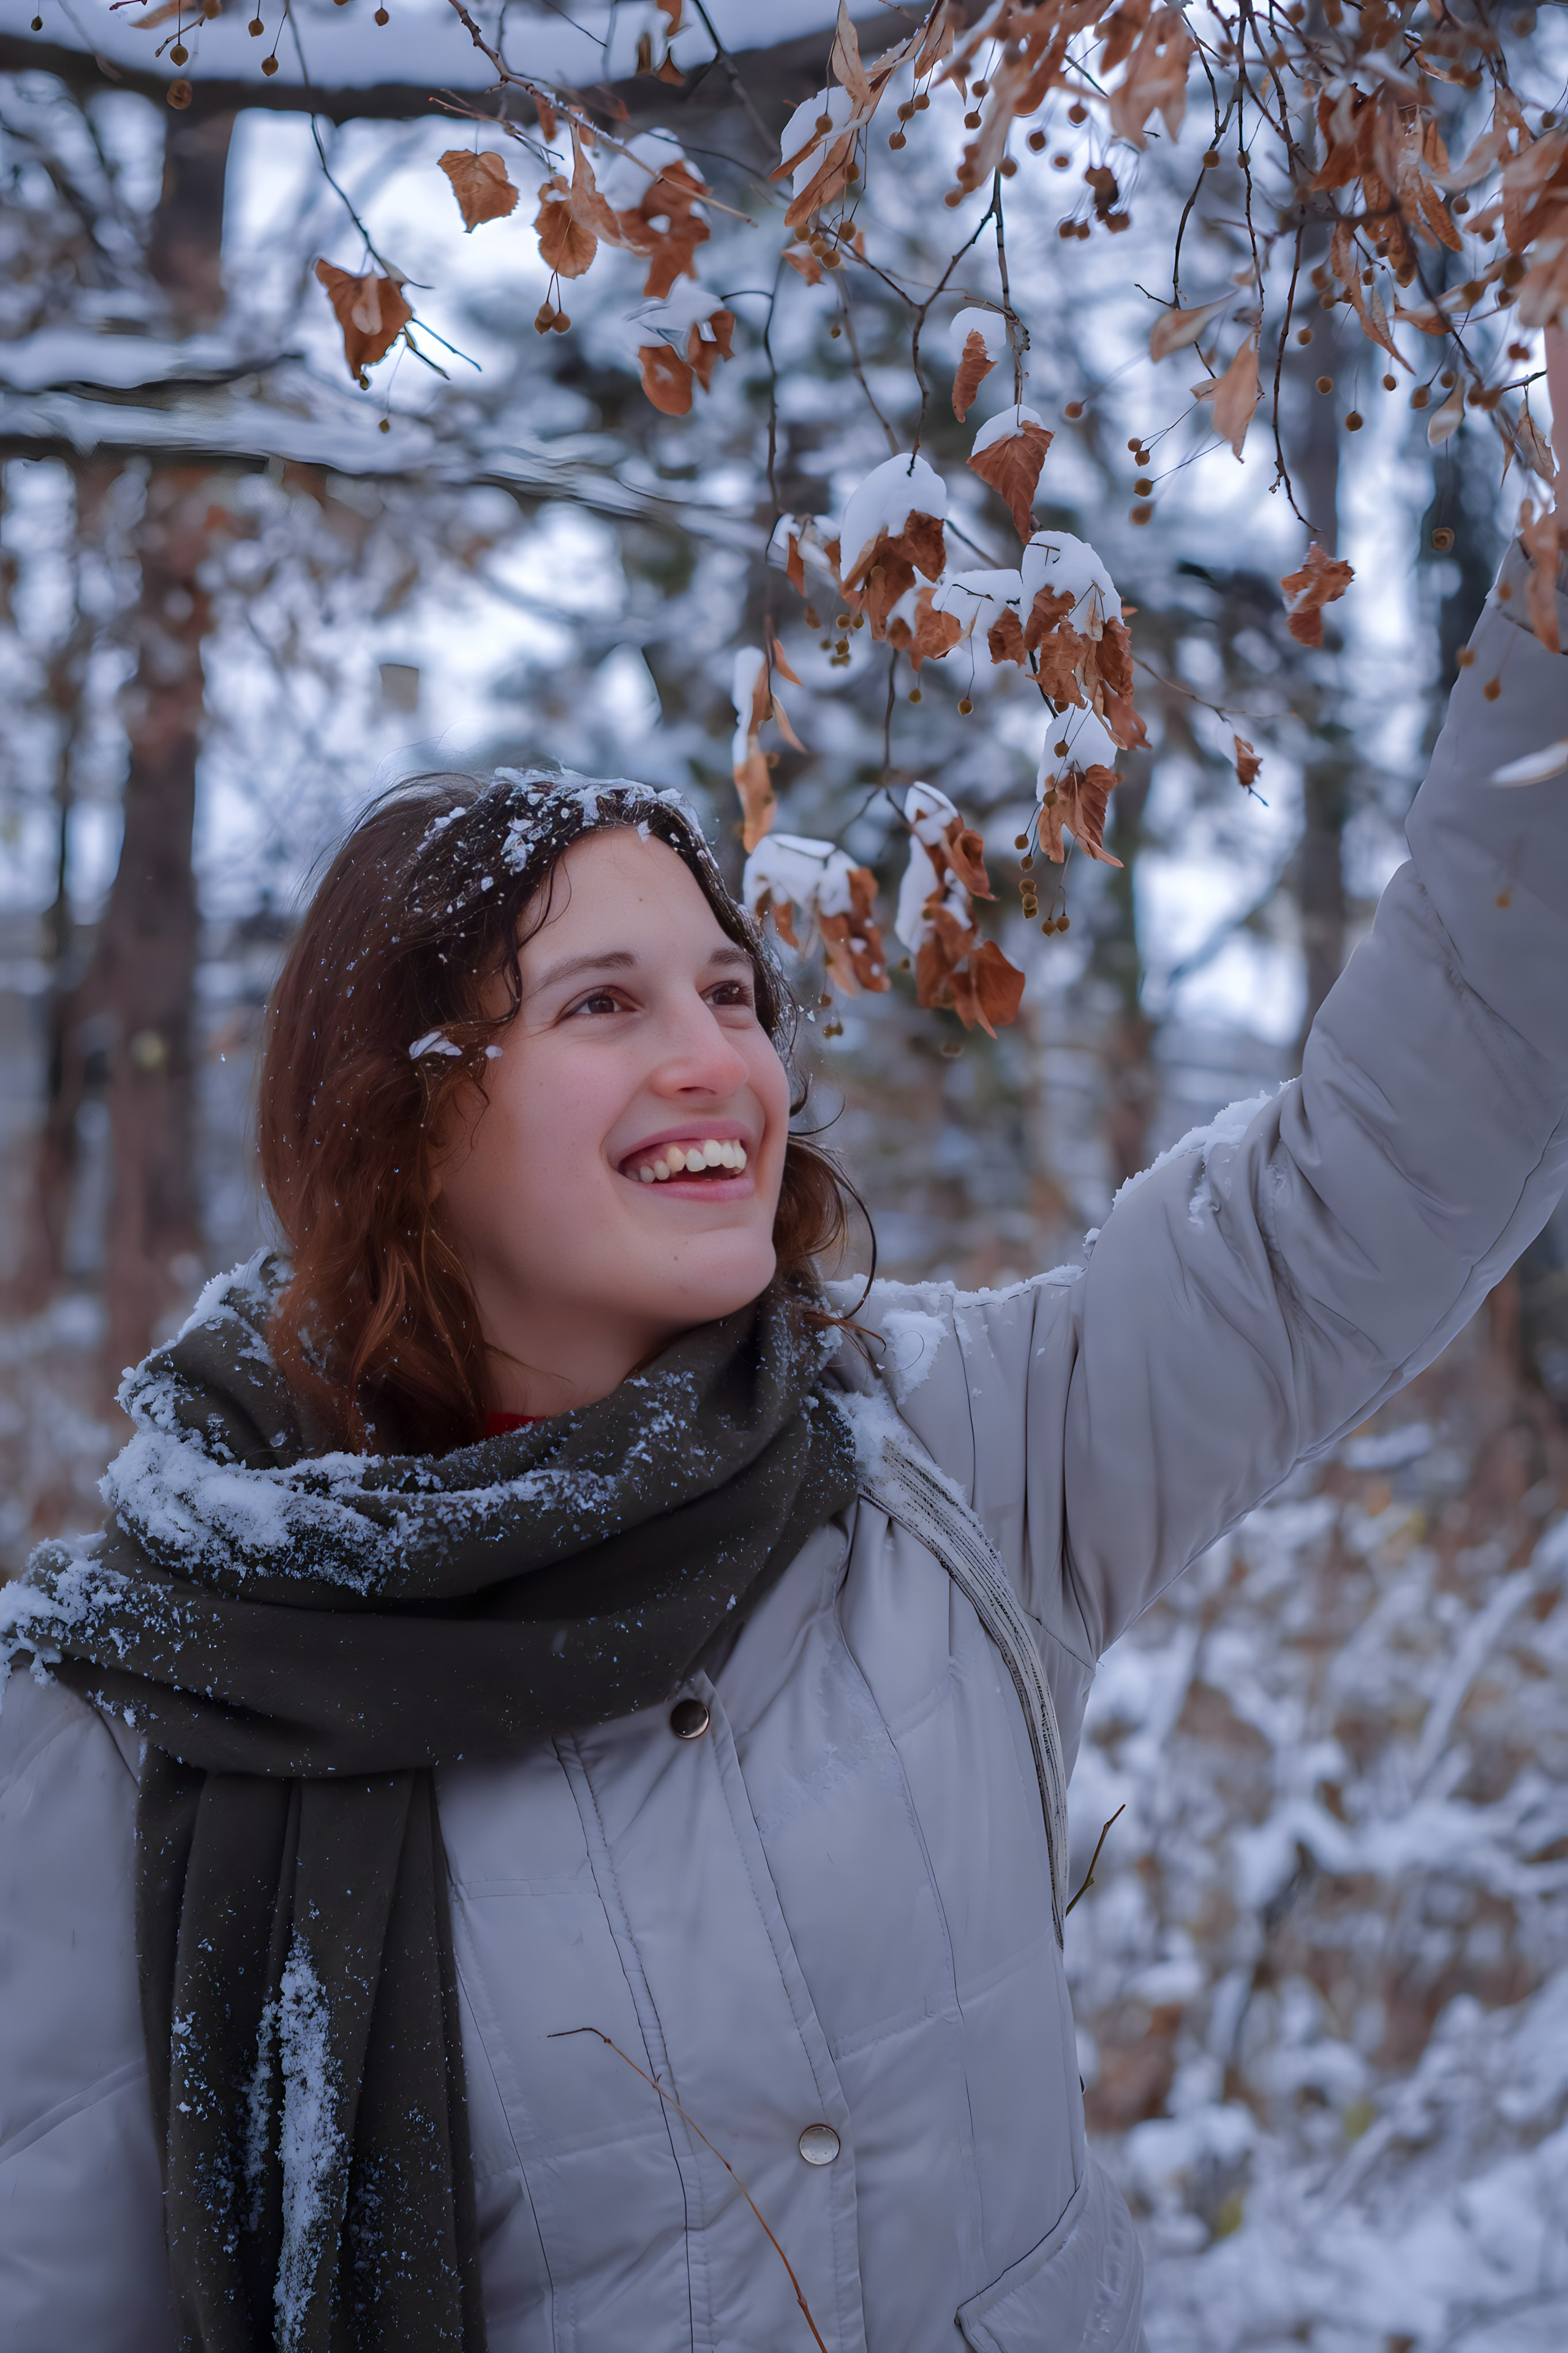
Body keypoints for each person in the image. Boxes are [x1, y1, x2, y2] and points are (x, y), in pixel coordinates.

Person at [2, 505, 1567, 2353]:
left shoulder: (947, 1459)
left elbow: (1379, 1173)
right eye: (604, 1003)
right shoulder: (137, 1711)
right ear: (402, 1123)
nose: (722, 1061)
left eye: (732, 993)